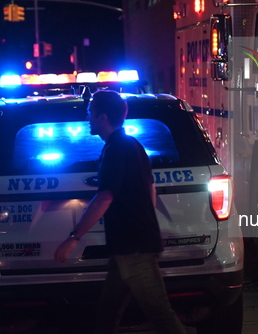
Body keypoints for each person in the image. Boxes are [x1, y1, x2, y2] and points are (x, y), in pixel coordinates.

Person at [54, 90, 187, 334]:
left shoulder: (116, 149)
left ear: (103, 117)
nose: (88, 119)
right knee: (107, 312)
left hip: (134, 248)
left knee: (160, 314)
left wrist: (74, 238)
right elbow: (150, 189)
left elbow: (105, 196)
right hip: (129, 246)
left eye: (90, 114)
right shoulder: (131, 146)